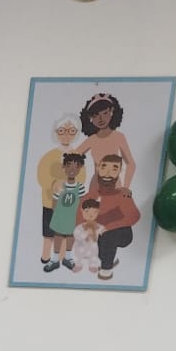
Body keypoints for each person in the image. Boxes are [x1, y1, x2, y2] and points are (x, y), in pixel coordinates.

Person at [34, 112, 82, 269]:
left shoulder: (78, 156)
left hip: (70, 206)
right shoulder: (49, 156)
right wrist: (54, 183)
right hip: (50, 201)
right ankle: (46, 255)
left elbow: (82, 178)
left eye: (71, 131)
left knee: (67, 232)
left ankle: (63, 257)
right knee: (49, 232)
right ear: (56, 133)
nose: (66, 135)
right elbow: (41, 176)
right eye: (62, 131)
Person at [91, 153, 139, 281]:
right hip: (101, 232)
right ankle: (108, 259)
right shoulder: (92, 195)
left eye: (114, 169)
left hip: (122, 234)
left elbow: (134, 216)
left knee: (108, 232)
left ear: (119, 172)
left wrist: (108, 226)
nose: (107, 173)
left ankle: (106, 268)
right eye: (104, 167)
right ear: (98, 168)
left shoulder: (123, 194)